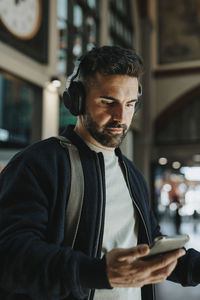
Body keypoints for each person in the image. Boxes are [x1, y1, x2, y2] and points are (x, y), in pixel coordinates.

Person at [0, 46, 200, 300]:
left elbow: (148, 250)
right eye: (108, 102)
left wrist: (193, 267)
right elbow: (10, 255)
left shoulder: (132, 175)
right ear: (77, 100)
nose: (121, 116)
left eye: (130, 104)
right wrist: (98, 273)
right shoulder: (38, 164)